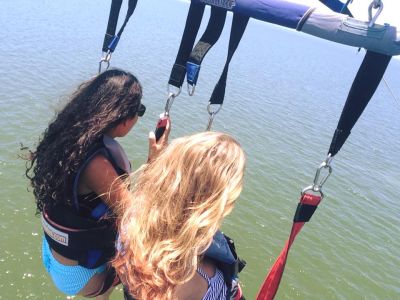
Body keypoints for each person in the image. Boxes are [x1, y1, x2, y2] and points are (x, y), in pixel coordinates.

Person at [26, 69, 169, 299]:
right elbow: (138, 219)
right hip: (79, 275)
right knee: (143, 259)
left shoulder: (69, 138)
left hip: (53, 253)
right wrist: (154, 161)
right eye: (138, 111)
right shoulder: (97, 166)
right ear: (123, 121)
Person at [113, 131, 246, 300]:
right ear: (219, 201)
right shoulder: (204, 278)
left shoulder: (132, 222)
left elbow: (146, 198)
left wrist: (153, 161)